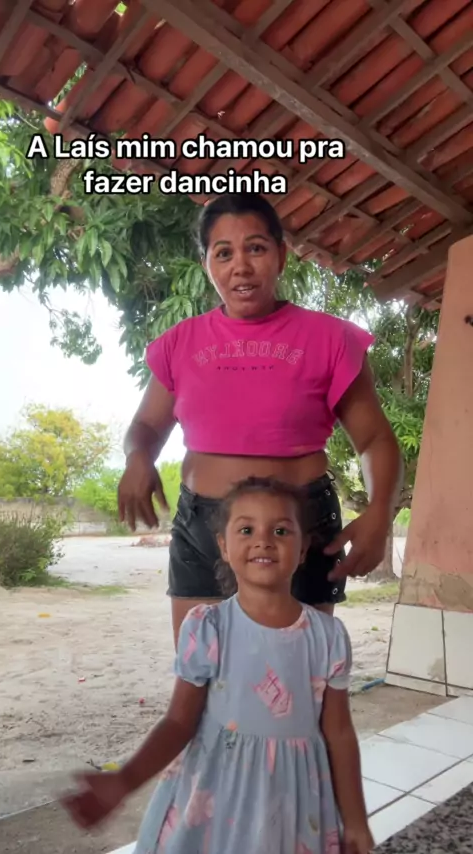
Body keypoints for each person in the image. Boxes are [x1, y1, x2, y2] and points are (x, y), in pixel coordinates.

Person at [118, 193, 401, 646]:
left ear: (281, 255)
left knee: (300, 671)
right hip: (203, 525)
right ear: (207, 264)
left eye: (255, 248)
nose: (241, 267)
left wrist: (380, 511)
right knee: (203, 671)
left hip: (300, 525)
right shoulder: (179, 343)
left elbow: (374, 440)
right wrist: (138, 458)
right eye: (223, 253)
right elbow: (146, 427)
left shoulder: (330, 339)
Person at [62, 476, 374, 854]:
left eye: (280, 530)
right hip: (216, 800)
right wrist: (125, 779)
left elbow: (339, 734)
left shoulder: (328, 637)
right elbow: (178, 722)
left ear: (303, 547)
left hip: (295, 801)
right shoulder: (208, 628)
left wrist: (355, 821)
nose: (263, 540)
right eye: (246, 529)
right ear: (224, 546)